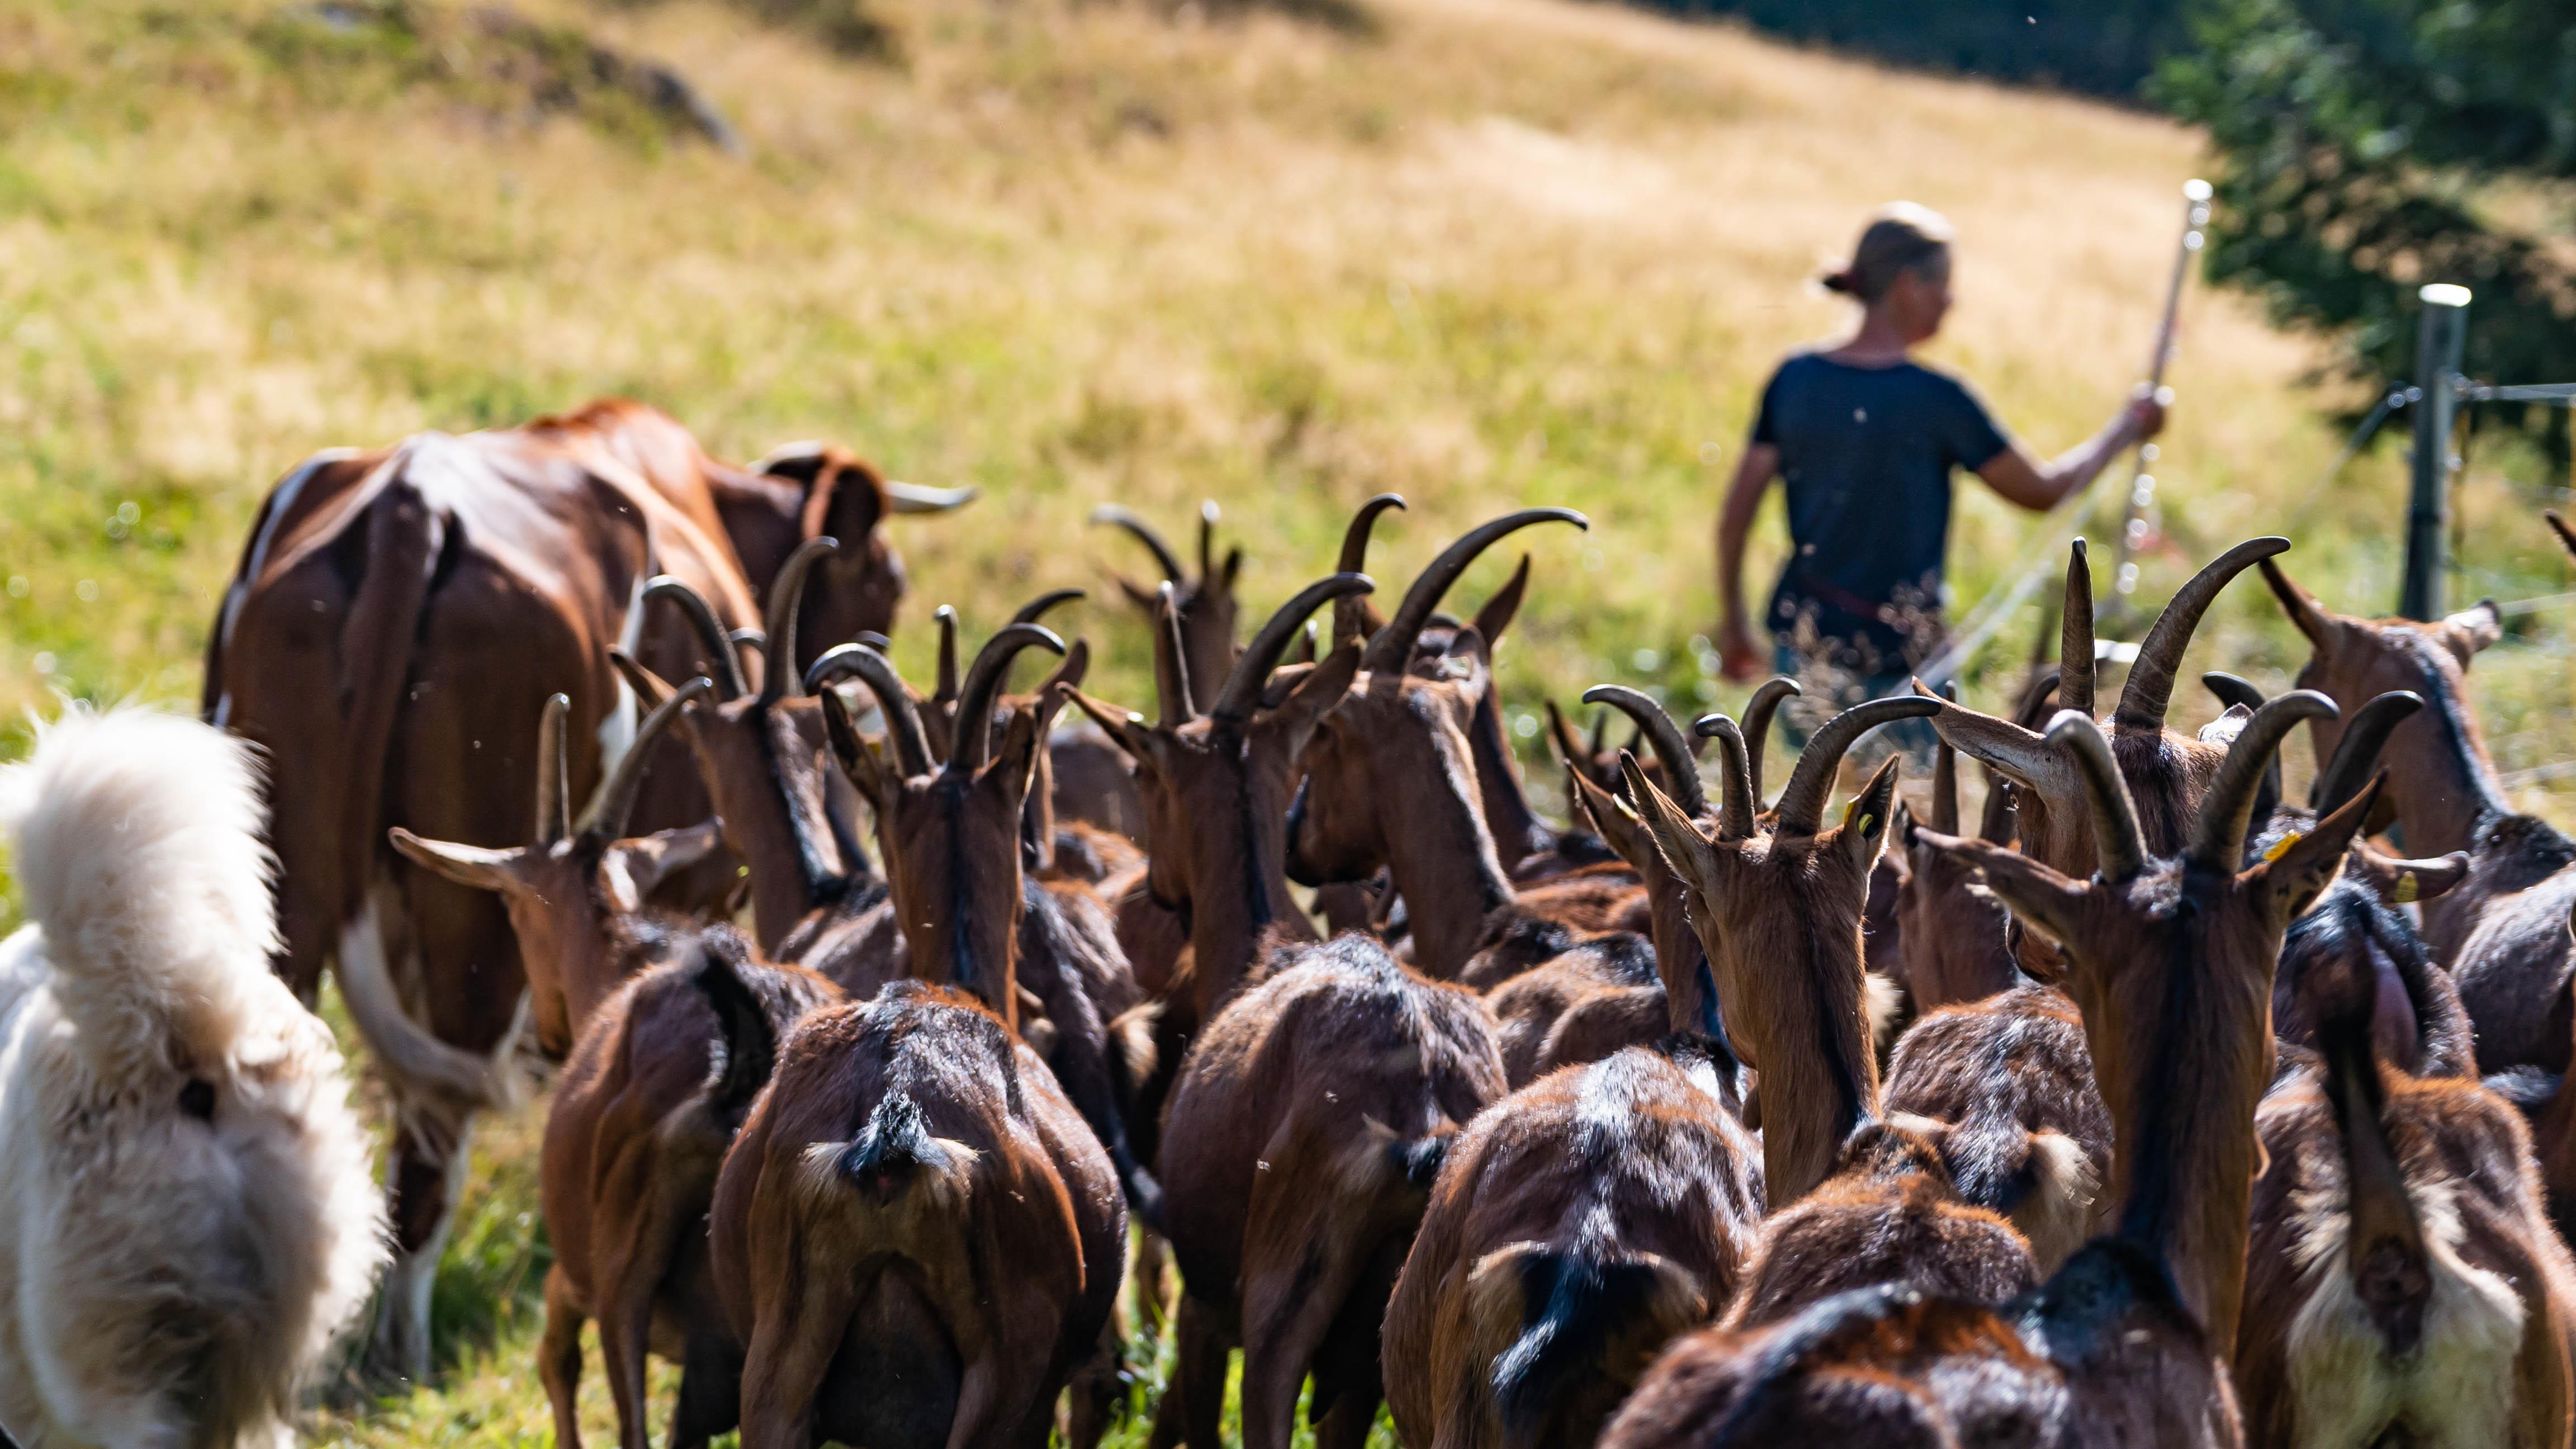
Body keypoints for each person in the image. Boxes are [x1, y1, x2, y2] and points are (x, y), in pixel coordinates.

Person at [1715, 203, 2167, 714]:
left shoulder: (1793, 378)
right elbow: (2042, 490)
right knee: (1912, 792)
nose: (1951, 301)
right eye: (1944, 285)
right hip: (1907, 666)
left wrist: (1734, 624)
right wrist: (2127, 429)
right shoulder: (1939, 400)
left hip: (1800, 647)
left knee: (1812, 791)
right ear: (1908, 284)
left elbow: (1735, 519)